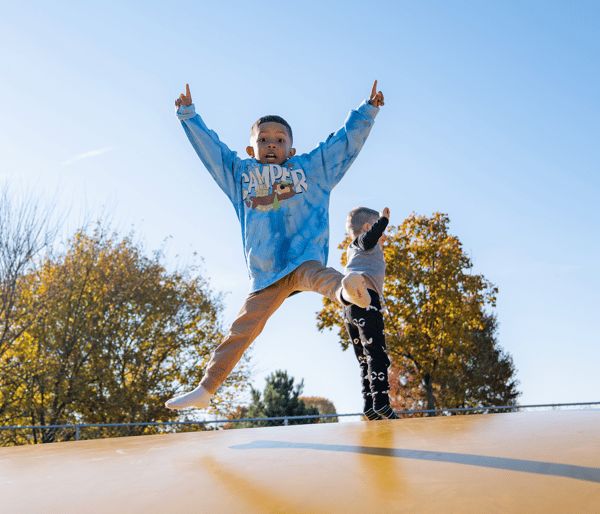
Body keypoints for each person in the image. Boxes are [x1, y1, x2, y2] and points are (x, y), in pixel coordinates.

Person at [166, 81, 385, 410]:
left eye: (280, 141)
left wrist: (367, 112)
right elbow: (212, 152)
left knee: (326, 279)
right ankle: (206, 389)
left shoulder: (310, 170)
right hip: (267, 273)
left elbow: (340, 146)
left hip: (304, 260)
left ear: (291, 150)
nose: (271, 145)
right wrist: (188, 115)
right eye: (263, 140)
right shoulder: (240, 174)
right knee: (242, 329)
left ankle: (348, 291)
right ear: (251, 149)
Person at [343, 206, 399, 420]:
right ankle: (382, 403)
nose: (385, 235)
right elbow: (369, 238)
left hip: (349, 308)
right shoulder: (363, 242)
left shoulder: (353, 249)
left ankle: (369, 406)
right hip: (367, 302)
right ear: (368, 227)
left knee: (365, 359)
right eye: (382, 230)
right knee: (378, 354)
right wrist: (383, 221)